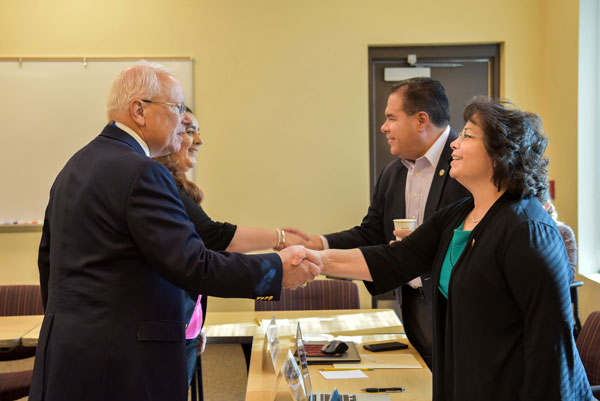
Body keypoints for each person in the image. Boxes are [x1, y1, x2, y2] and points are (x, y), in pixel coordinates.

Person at [31, 62, 320, 401]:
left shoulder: (74, 166)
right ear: (139, 110)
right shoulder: (142, 173)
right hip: (126, 370)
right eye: (177, 108)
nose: (184, 120)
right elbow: (193, 264)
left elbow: (49, 264)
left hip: (68, 360)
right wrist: (277, 270)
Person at [305, 98, 593, 400]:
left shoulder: (528, 231)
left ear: (501, 152)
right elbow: (394, 260)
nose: (455, 143)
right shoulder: (458, 214)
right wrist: (315, 260)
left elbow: (550, 348)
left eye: (467, 136)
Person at [286, 77, 469, 368]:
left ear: (421, 120)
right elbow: (372, 232)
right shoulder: (392, 173)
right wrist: (319, 243)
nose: (384, 127)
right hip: (412, 307)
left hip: (459, 310)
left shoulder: (466, 166)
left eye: (391, 118)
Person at [154, 108, 308, 387]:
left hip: (185, 329)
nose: (198, 140)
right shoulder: (158, 184)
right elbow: (213, 237)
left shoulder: (178, 187)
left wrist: (196, 322)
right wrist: (280, 239)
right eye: (189, 130)